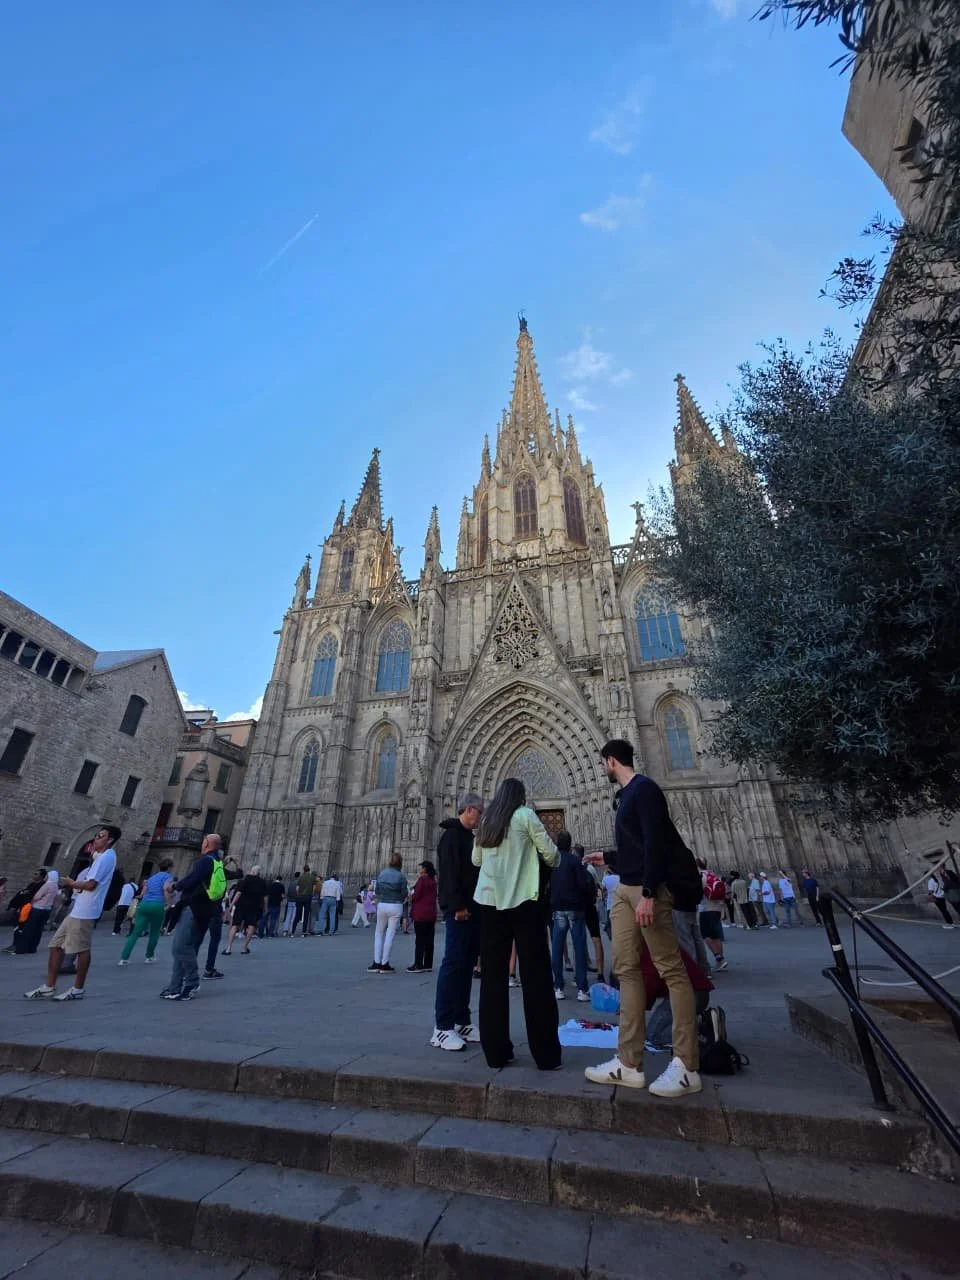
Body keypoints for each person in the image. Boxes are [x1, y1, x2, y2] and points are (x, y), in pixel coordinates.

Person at [584, 741, 702, 1098]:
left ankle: (685, 1065)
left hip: (646, 892)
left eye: (603, 762)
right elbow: (638, 848)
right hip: (624, 888)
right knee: (627, 969)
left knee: (671, 970)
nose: (602, 768)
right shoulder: (624, 797)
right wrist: (609, 856)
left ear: (611, 761)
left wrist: (650, 893)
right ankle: (628, 1062)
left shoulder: (645, 789)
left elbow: (657, 843)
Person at [472, 778, 561, 1071]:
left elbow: (476, 860)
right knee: (536, 977)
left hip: (490, 904)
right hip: (524, 902)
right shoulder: (524, 815)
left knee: (493, 979)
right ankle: (545, 1055)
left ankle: (495, 1052)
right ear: (520, 797)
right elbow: (551, 855)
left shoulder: (486, 820)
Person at [24, 825, 121, 1002]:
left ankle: (78, 988)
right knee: (55, 945)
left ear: (110, 840)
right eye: (96, 835)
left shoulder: (107, 857)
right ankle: (49, 986)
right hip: (78, 910)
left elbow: (92, 885)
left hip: (86, 911)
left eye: (100, 836)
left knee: (81, 949)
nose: (96, 839)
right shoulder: (99, 856)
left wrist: (71, 883)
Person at [160, 833, 227, 1000]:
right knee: (184, 947)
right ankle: (174, 987)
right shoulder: (218, 862)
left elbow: (192, 880)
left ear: (207, 844)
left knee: (180, 947)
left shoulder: (206, 861)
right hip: (206, 910)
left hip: (194, 908)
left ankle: (191, 982)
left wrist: (175, 885)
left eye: (204, 841)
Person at [550, 831, 595, 1002]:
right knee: (579, 947)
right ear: (569, 845)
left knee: (557, 948)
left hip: (558, 908)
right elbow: (584, 884)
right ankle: (582, 989)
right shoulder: (576, 861)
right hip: (575, 908)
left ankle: (558, 987)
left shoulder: (552, 861)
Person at [119, 859, 174, 964]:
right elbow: (166, 889)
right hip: (157, 905)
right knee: (154, 932)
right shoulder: (167, 877)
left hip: (144, 904)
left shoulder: (151, 878)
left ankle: (124, 958)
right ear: (169, 868)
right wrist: (170, 903)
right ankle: (149, 956)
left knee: (135, 933)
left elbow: (144, 892)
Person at [369, 854, 407, 972]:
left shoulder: (382, 874)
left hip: (383, 904)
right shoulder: (401, 876)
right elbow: (404, 892)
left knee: (379, 934)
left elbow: (378, 890)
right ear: (400, 862)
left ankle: (376, 963)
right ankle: (385, 964)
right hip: (396, 906)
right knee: (390, 935)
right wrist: (399, 899)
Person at [8, 870, 60, 955]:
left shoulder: (47, 885)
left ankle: (20, 949)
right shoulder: (55, 886)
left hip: (38, 908)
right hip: (46, 910)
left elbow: (37, 896)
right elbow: (57, 899)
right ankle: (32, 948)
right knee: (38, 930)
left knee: (28, 929)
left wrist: (31, 902)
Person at [223, 865, 268, 954]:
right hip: (254, 907)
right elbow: (265, 896)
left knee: (235, 925)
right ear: (258, 873)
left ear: (252, 871)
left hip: (241, 906)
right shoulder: (262, 882)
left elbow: (239, 893)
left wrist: (231, 904)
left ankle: (228, 948)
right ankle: (244, 948)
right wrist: (265, 908)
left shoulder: (244, 880)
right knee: (251, 926)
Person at [697, 858, 728, 971]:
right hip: (716, 908)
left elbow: (697, 892)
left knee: (705, 935)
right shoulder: (712, 875)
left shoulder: (700, 876)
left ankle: (718, 958)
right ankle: (721, 960)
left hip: (705, 908)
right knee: (715, 935)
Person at [409, 861, 438, 972]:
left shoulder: (422, 880)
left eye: (421, 867)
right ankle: (428, 964)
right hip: (431, 914)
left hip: (421, 914)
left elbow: (416, 896)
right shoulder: (433, 881)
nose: (420, 869)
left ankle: (418, 965)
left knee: (420, 940)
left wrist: (411, 896)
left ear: (425, 869)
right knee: (429, 940)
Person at [293, 867, 315, 937]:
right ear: (309, 870)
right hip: (307, 897)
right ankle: (303, 932)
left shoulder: (300, 877)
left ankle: (293, 932)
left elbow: (297, 888)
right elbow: (314, 887)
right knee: (306, 915)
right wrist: (312, 894)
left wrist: (298, 895)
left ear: (303, 870)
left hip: (300, 897)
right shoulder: (312, 877)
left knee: (297, 914)